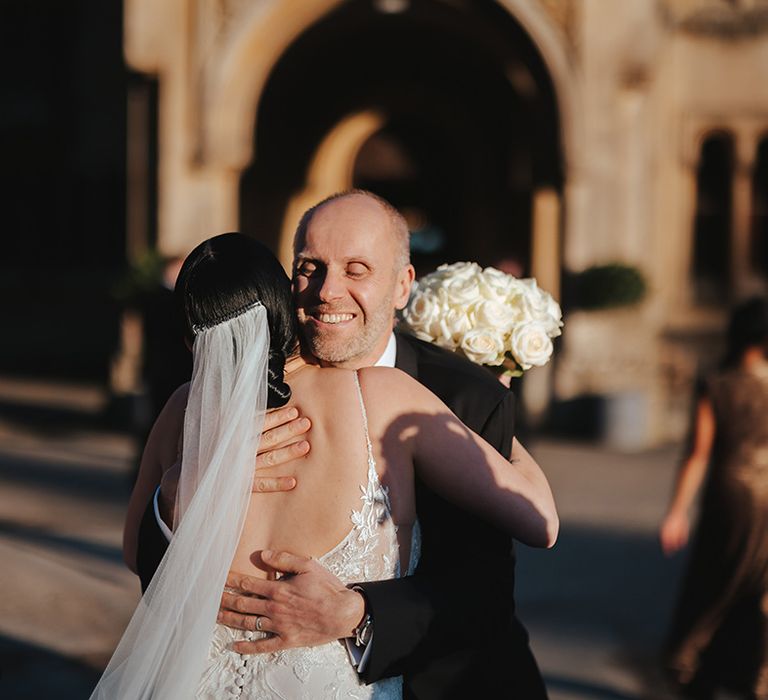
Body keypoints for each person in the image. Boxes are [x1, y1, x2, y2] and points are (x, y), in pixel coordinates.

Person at [131, 191, 554, 698]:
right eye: (310, 268)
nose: (328, 291)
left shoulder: (469, 395)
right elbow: (541, 521)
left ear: (403, 286)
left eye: (357, 269)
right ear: (285, 284)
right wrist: (178, 492)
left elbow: (483, 596)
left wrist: (358, 613)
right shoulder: (199, 408)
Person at [660, 297, 768, 699]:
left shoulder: (718, 384)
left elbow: (698, 454)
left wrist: (676, 512)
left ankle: (691, 659)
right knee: (759, 589)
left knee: (717, 582)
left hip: (732, 498)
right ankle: (755, 673)